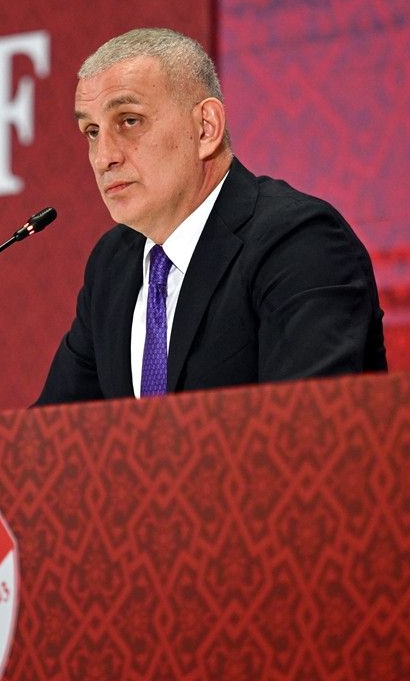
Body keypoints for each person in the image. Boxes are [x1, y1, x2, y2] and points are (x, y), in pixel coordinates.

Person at [35, 28, 386, 405]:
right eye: (91, 131)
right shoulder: (112, 265)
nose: (103, 157)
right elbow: (51, 431)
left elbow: (305, 423)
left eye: (129, 121)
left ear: (206, 128)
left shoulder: (299, 242)